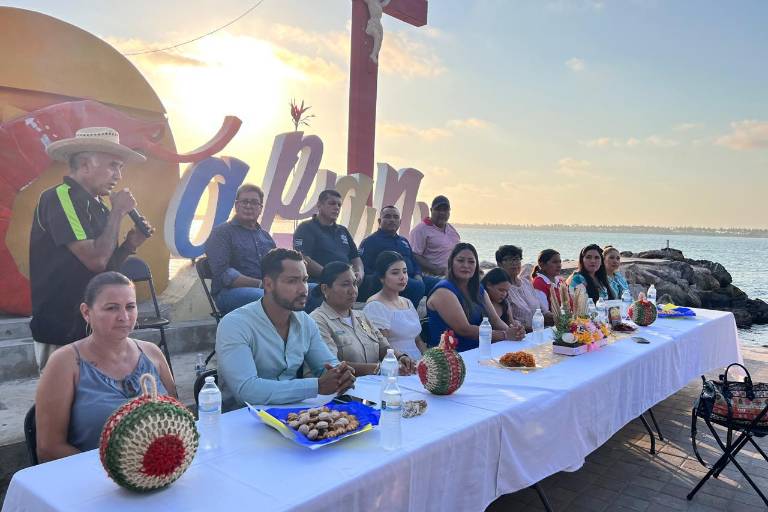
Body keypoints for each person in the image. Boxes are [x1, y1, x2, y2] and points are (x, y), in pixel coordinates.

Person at [30, 127, 153, 370]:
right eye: (113, 166)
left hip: (93, 326)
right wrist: (118, 211)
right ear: (85, 164)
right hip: (62, 327)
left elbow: (104, 272)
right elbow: (95, 260)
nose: (118, 175)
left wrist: (129, 245)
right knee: (64, 404)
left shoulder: (100, 207)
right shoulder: (60, 197)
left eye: (120, 167)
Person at [34, 272, 176, 462]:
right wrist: (119, 469)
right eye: (111, 308)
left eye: (130, 307)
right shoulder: (65, 363)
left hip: (158, 472)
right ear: (86, 312)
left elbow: (177, 418)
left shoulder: (152, 353)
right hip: (94, 481)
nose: (124, 317)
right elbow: (48, 448)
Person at [216, 248, 355, 408]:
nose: (303, 289)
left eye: (304, 280)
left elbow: (326, 366)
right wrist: (316, 386)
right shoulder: (235, 324)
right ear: (268, 284)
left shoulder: (306, 322)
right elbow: (246, 390)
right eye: (292, 281)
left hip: (293, 414)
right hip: (241, 420)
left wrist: (341, 374)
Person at [311, 261, 417, 375]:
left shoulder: (361, 316)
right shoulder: (317, 321)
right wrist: (380, 369)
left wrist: (400, 357)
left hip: (374, 384)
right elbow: (332, 364)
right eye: (345, 284)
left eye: (355, 283)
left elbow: (383, 347)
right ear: (325, 289)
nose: (353, 290)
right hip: (344, 388)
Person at [426, 243, 525, 352]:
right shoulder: (443, 292)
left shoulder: (478, 289)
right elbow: (465, 329)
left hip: (478, 350)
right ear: (451, 263)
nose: (466, 265)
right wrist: (505, 335)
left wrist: (514, 332)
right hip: (450, 357)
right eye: (460, 260)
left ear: (476, 265)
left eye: (471, 262)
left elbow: (496, 320)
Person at [205, 184, 276, 314]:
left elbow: (276, 268)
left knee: (312, 291)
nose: (248, 206)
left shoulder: (266, 237)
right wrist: (261, 284)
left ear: (260, 208)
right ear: (236, 206)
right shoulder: (221, 233)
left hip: (265, 288)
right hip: (228, 293)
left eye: (254, 202)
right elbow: (224, 274)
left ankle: (303, 333)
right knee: (272, 299)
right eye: (244, 202)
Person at [358, 205, 439, 305]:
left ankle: (431, 316)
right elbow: (363, 267)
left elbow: (414, 261)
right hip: (390, 280)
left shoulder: (403, 241)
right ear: (379, 221)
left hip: (410, 277)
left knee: (440, 284)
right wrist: (385, 277)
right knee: (417, 286)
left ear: (400, 222)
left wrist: (418, 274)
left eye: (395, 217)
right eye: (387, 216)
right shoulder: (370, 241)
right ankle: (408, 316)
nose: (392, 220)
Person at [293, 189, 364, 283]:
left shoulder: (343, 230)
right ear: (319, 205)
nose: (336, 207)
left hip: (347, 284)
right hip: (319, 284)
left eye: (339, 205)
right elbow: (303, 258)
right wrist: (332, 277)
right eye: (332, 203)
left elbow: (355, 257)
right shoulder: (306, 227)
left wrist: (360, 273)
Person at [364, 252, 424, 360]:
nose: (403, 277)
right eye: (395, 273)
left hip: (419, 364)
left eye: (405, 272)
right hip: (397, 366)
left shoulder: (408, 302)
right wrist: (405, 361)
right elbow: (383, 347)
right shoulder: (375, 306)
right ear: (382, 277)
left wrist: (429, 359)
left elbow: (418, 340)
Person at [496, 245, 552, 330]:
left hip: (539, 332)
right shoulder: (501, 289)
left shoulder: (527, 283)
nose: (514, 263)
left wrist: (560, 317)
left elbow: (543, 311)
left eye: (517, 259)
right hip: (520, 335)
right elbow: (508, 322)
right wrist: (534, 329)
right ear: (499, 264)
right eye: (509, 259)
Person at [409, 195, 460, 277]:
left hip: (452, 274)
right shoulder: (420, 230)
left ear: (449, 212)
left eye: (445, 210)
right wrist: (436, 270)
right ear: (431, 210)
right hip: (433, 277)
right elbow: (414, 255)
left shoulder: (451, 229)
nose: (442, 213)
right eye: (438, 209)